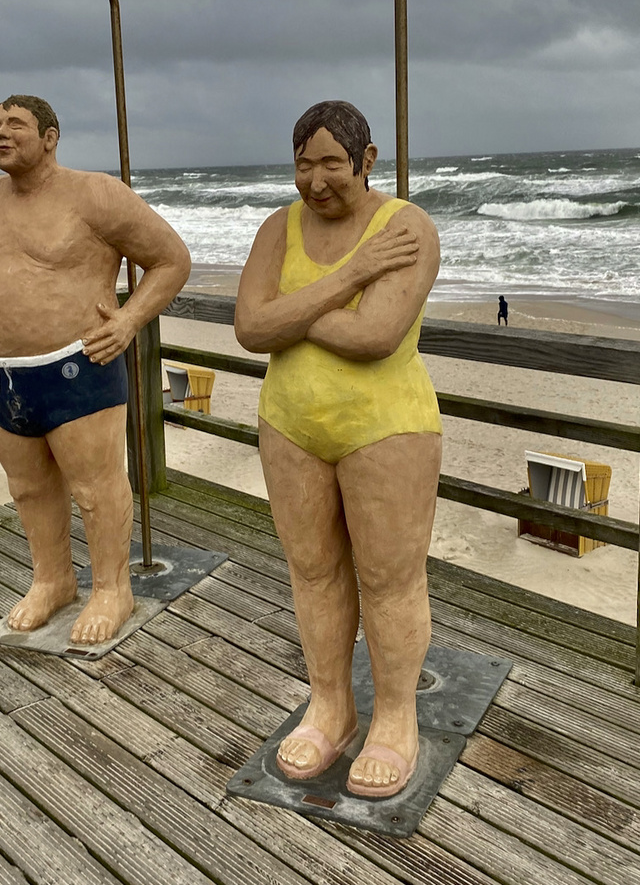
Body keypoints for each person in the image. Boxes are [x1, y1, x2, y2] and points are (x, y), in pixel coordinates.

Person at [235, 100, 442, 799]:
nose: (316, 179)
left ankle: (395, 717)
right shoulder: (277, 227)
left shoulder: (404, 227)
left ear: (366, 160)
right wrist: (349, 280)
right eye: (303, 163)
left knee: (390, 578)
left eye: (331, 162)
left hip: (385, 426)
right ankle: (330, 704)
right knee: (313, 570)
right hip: (291, 423)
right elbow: (249, 327)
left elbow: (375, 336)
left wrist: (288, 314)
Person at [0, 95, 190, 645]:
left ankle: (112, 589)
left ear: (50, 137)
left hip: (76, 363)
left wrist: (130, 319)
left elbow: (172, 258)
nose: (1, 133)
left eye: (16, 124)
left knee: (96, 486)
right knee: (28, 486)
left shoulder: (93, 194)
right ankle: (52, 580)